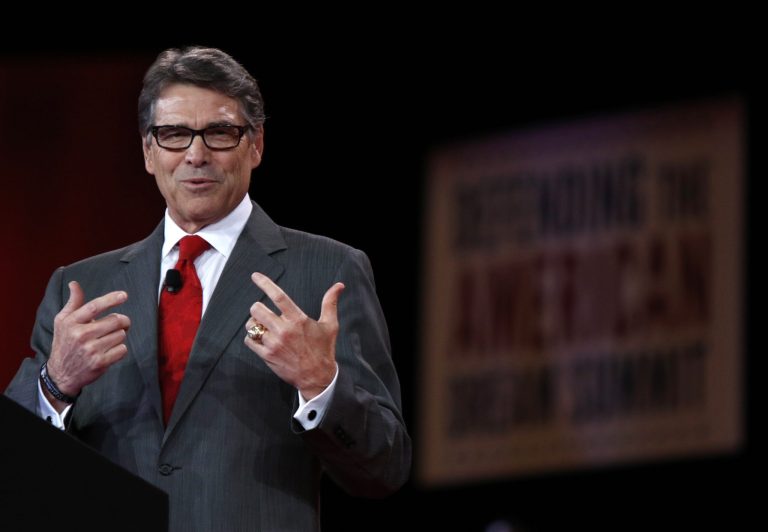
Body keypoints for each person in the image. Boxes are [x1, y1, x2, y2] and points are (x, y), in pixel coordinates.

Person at [4, 46, 411, 531]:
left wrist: (320, 384)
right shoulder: (81, 288)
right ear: (148, 151)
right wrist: (55, 383)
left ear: (256, 145)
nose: (196, 154)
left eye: (219, 133)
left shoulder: (326, 270)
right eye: (174, 134)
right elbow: (13, 466)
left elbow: (386, 467)